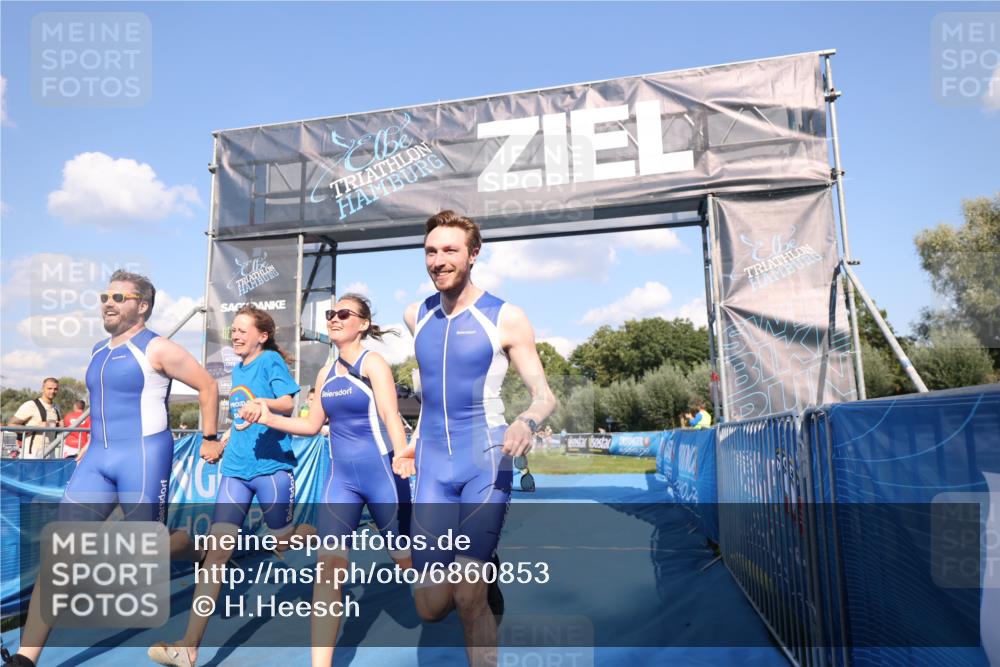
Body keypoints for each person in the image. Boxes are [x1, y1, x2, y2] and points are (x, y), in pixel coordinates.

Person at [6, 270, 219, 667]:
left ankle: (198, 550)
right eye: (105, 296)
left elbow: (207, 385)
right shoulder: (97, 350)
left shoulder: (157, 347)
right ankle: (25, 658)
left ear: (143, 306)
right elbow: (103, 404)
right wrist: (91, 442)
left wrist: (208, 437)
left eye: (119, 297)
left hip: (143, 456)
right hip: (98, 460)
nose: (108, 302)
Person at [401, 210, 556, 667]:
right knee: (431, 607)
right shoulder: (416, 315)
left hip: (484, 459)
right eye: (431, 251)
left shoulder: (505, 317)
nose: (438, 260)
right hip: (433, 467)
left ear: (473, 254)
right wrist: (414, 440)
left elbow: (544, 396)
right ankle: (488, 572)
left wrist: (525, 422)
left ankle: (480, 581)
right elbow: (432, 394)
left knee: (468, 598)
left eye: (450, 250)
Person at [243, 293, 414, 667]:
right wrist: (268, 417)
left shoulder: (373, 363)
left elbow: (390, 414)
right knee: (328, 572)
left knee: (408, 565)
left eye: (344, 314)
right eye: (331, 313)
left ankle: (467, 589)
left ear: (363, 324)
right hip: (340, 482)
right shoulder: (325, 374)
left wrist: (402, 454)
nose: (334, 318)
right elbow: (309, 425)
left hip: (383, 476)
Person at [149, 305, 298, 667]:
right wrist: (222, 442)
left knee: (283, 541)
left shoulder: (270, 361)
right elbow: (241, 420)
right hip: (235, 471)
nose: (235, 334)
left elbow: (288, 404)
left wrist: (263, 405)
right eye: (233, 329)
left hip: (270, 468)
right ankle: (189, 647)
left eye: (243, 329)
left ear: (262, 335)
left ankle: (328, 535)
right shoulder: (239, 368)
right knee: (216, 555)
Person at [7, 378, 60, 459]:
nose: (53, 391)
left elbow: (52, 428)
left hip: (50, 452)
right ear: (42, 389)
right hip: (32, 454)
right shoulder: (30, 405)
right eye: (49, 388)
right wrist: (36, 427)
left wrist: (60, 426)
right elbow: (10, 425)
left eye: (55, 389)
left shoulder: (56, 407)